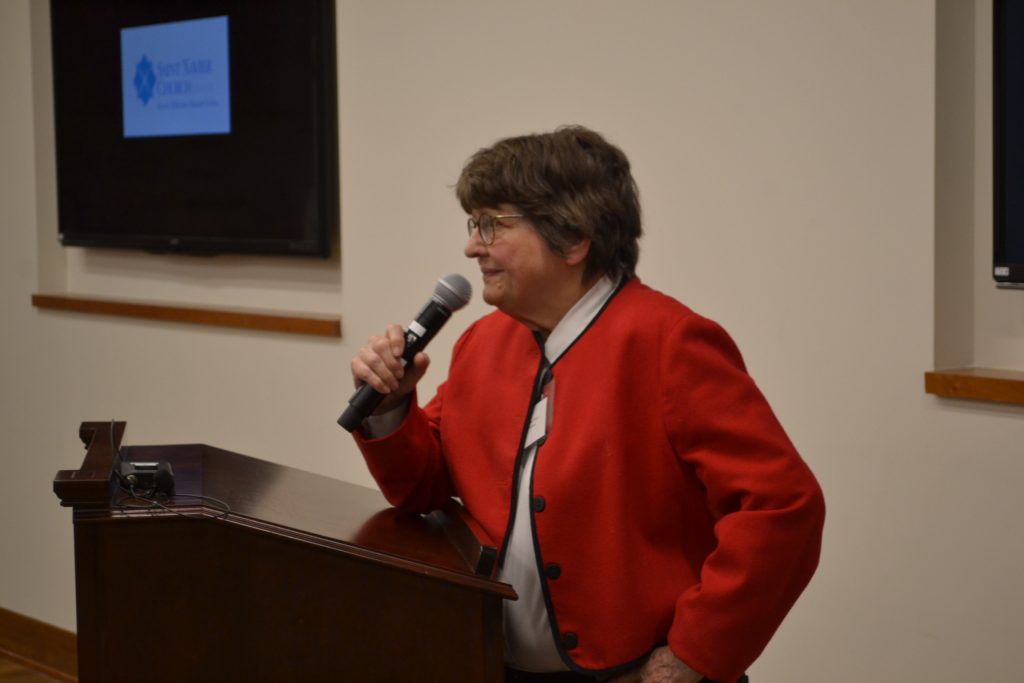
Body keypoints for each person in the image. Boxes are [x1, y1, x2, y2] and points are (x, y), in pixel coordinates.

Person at [348, 125, 825, 683]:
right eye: (473, 224)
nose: (471, 246)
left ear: (573, 239)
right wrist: (392, 407)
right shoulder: (482, 341)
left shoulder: (669, 341)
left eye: (492, 225)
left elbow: (783, 508)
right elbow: (424, 487)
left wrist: (691, 658)